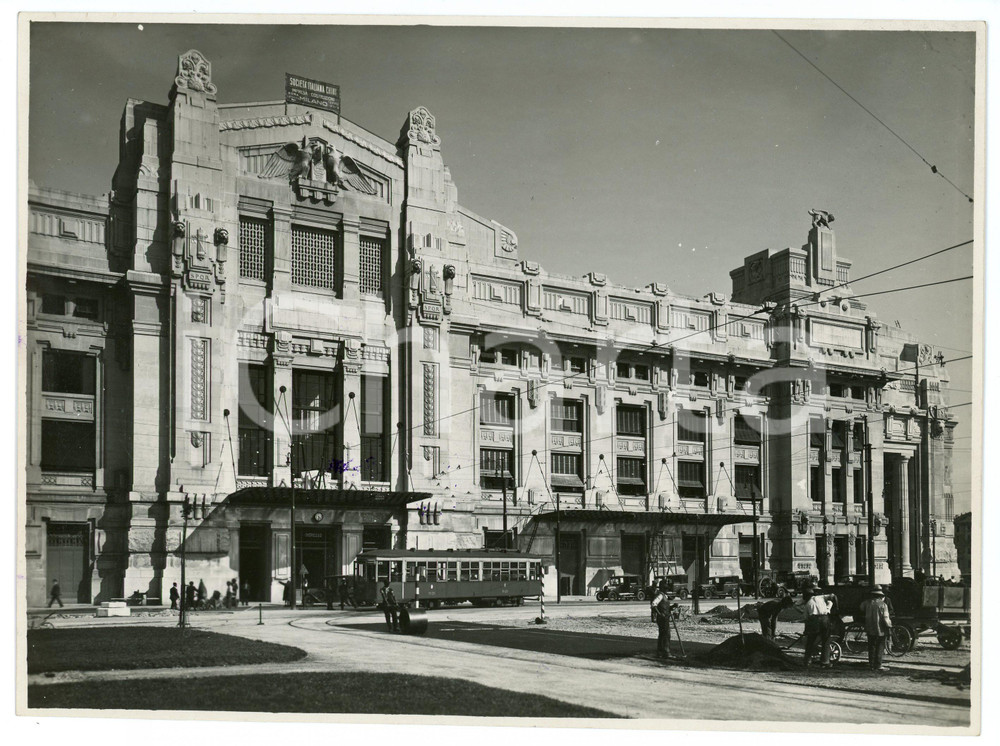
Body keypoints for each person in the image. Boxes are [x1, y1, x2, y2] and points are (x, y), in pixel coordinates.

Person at [860, 586, 893, 672]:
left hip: (869, 628)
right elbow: (886, 618)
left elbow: (861, 608)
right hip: (880, 630)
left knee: (871, 646)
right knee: (880, 647)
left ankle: (871, 665)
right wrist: (889, 626)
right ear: (880, 595)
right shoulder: (883, 605)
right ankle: (878, 665)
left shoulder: (866, 603)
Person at [801, 588, 836, 668]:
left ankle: (807, 661)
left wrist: (806, 631)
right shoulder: (820, 598)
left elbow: (806, 618)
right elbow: (832, 598)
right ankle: (825, 662)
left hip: (814, 621)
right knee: (826, 641)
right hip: (824, 618)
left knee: (810, 641)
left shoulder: (807, 604)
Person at [650, 579, 675, 659]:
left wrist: (673, 607)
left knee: (662, 635)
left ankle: (660, 652)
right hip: (662, 618)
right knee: (666, 635)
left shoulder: (665, 596)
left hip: (665, 617)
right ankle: (666, 652)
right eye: (666, 588)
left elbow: (665, 607)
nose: (667, 590)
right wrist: (660, 614)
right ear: (662, 588)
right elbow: (654, 605)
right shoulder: (660, 595)